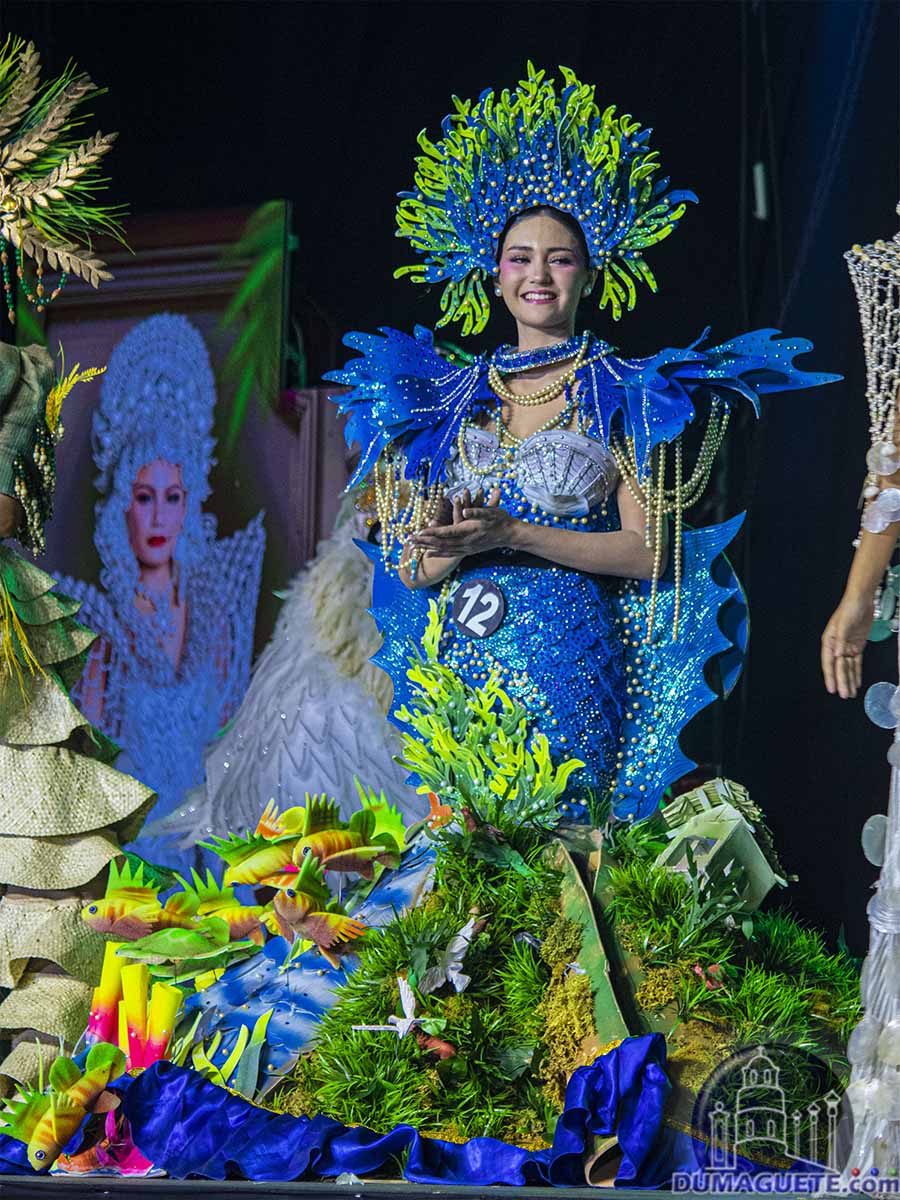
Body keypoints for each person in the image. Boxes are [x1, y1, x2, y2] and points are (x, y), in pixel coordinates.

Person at [327, 63, 840, 823]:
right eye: (520, 257)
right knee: (467, 862)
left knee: (566, 857)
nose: (538, 274)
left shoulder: (623, 393)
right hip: (458, 670)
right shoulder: (447, 401)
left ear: (591, 275)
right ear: (493, 274)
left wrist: (514, 533)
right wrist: (444, 547)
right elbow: (411, 568)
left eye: (560, 258)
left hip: (568, 662)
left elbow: (650, 552)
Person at [58, 314, 265, 871]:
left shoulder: (218, 608)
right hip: (134, 853)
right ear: (122, 505)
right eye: (144, 496)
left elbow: (233, 741)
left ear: (189, 503)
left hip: (210, 851)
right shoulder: (96, 626)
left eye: (172, 497)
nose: (158, 516)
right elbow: (86, 765)